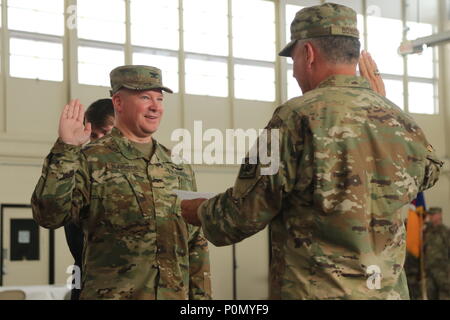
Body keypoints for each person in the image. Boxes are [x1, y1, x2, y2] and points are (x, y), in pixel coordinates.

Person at [181, 3, 443, 299]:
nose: (293, 73)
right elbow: (429, 170)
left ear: (308, 53)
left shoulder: (295, 117)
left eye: (292, 59)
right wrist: (383, 107)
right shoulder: (398, 119)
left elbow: (245, 212)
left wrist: (199, 211)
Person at [31, 65, 212, 300]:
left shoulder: (178, 167)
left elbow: (196, 242)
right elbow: (48, 216)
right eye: (145, 97)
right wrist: (66, 149)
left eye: (159, 98)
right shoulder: (90, 159)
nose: (155, 106)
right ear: (118, 103)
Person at [63, 98, 115, 300]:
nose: (100, 140)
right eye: (94, 135)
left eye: (106, 133)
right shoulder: (79, 170)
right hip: (90, 282)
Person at [423, 207, 450, 300]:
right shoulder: (426, 232)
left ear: (439, 215)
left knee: (444, 295)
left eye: (433, 215)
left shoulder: (445, 232)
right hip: (429, 271)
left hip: (442, 271)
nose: (430, 217)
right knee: (431, 295)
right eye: (430, 215)